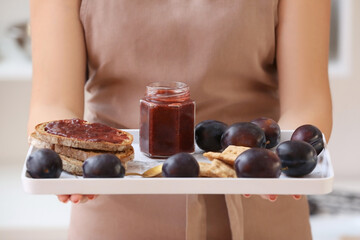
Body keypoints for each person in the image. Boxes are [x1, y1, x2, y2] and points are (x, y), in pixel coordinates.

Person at [28, 0, 332, 239]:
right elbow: (52, 101)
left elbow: (308, 100)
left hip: (262, 205)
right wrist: (63, 161)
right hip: (115, 205)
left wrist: (283, 163)